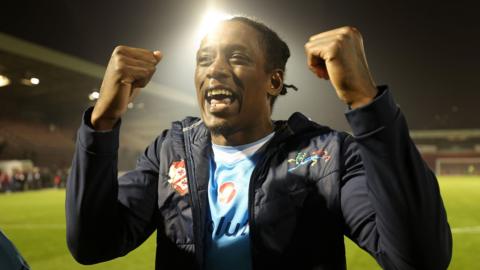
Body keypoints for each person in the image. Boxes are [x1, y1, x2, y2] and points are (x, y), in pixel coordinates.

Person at [66, 16, 452, 269]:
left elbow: (419, 260)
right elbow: (93, 244)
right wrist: (102, 122)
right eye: (203, 60)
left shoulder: (326, 154)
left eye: (236, 57)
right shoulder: (170, 149)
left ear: (274, 81)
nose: (214, 69)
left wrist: (368, 104)